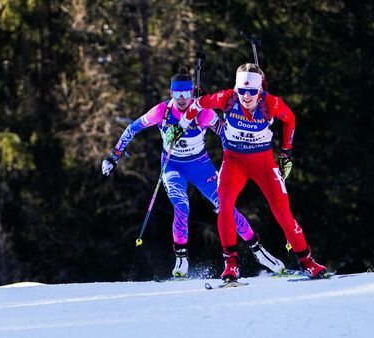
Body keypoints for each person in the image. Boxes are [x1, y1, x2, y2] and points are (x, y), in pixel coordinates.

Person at [102, 67, 285, 278]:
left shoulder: (204, 112)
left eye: (186, 94)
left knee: (226, 207)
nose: (182, 99)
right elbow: (132, 128)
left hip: (201, 165)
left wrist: (234, 157)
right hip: (172, 166)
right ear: (171, 93)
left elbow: (225, 133)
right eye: (177, 94)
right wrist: (114, 156)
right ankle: (181, 259)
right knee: (181, 205)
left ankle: (260, 252)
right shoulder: (162, 112)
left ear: (192, 93)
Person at [178, 63, 327, 280]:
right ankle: (231, 263)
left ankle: (307, 261)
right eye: (242, 91)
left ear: (260, 90)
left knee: (283, 213)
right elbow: (198, 104)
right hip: (234, 162)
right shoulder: (227, 98)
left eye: (252, 92)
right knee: (225, 206)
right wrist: (184, 121)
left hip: (263, 164)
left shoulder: (271, 103)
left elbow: (290, 119)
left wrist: (286, 152)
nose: (246, 97)